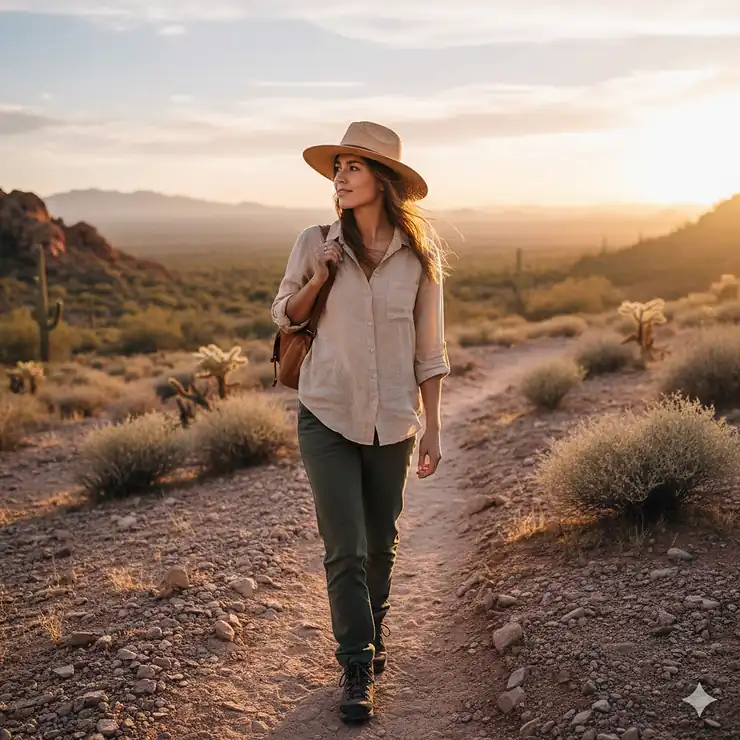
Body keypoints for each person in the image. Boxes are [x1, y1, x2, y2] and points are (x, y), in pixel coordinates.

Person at [271, 120, 451, 723]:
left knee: (381, 543)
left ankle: (373, 632)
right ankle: (354, 663)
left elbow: (431, 352)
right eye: (338, 167)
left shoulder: (419, 260)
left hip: (394, 419)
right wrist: (320, 275)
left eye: (353, 166)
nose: (340, 177)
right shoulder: (315, 240)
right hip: (325, 411)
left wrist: (433, 428)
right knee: (344, 545)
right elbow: (285, 316)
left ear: (384, 179)